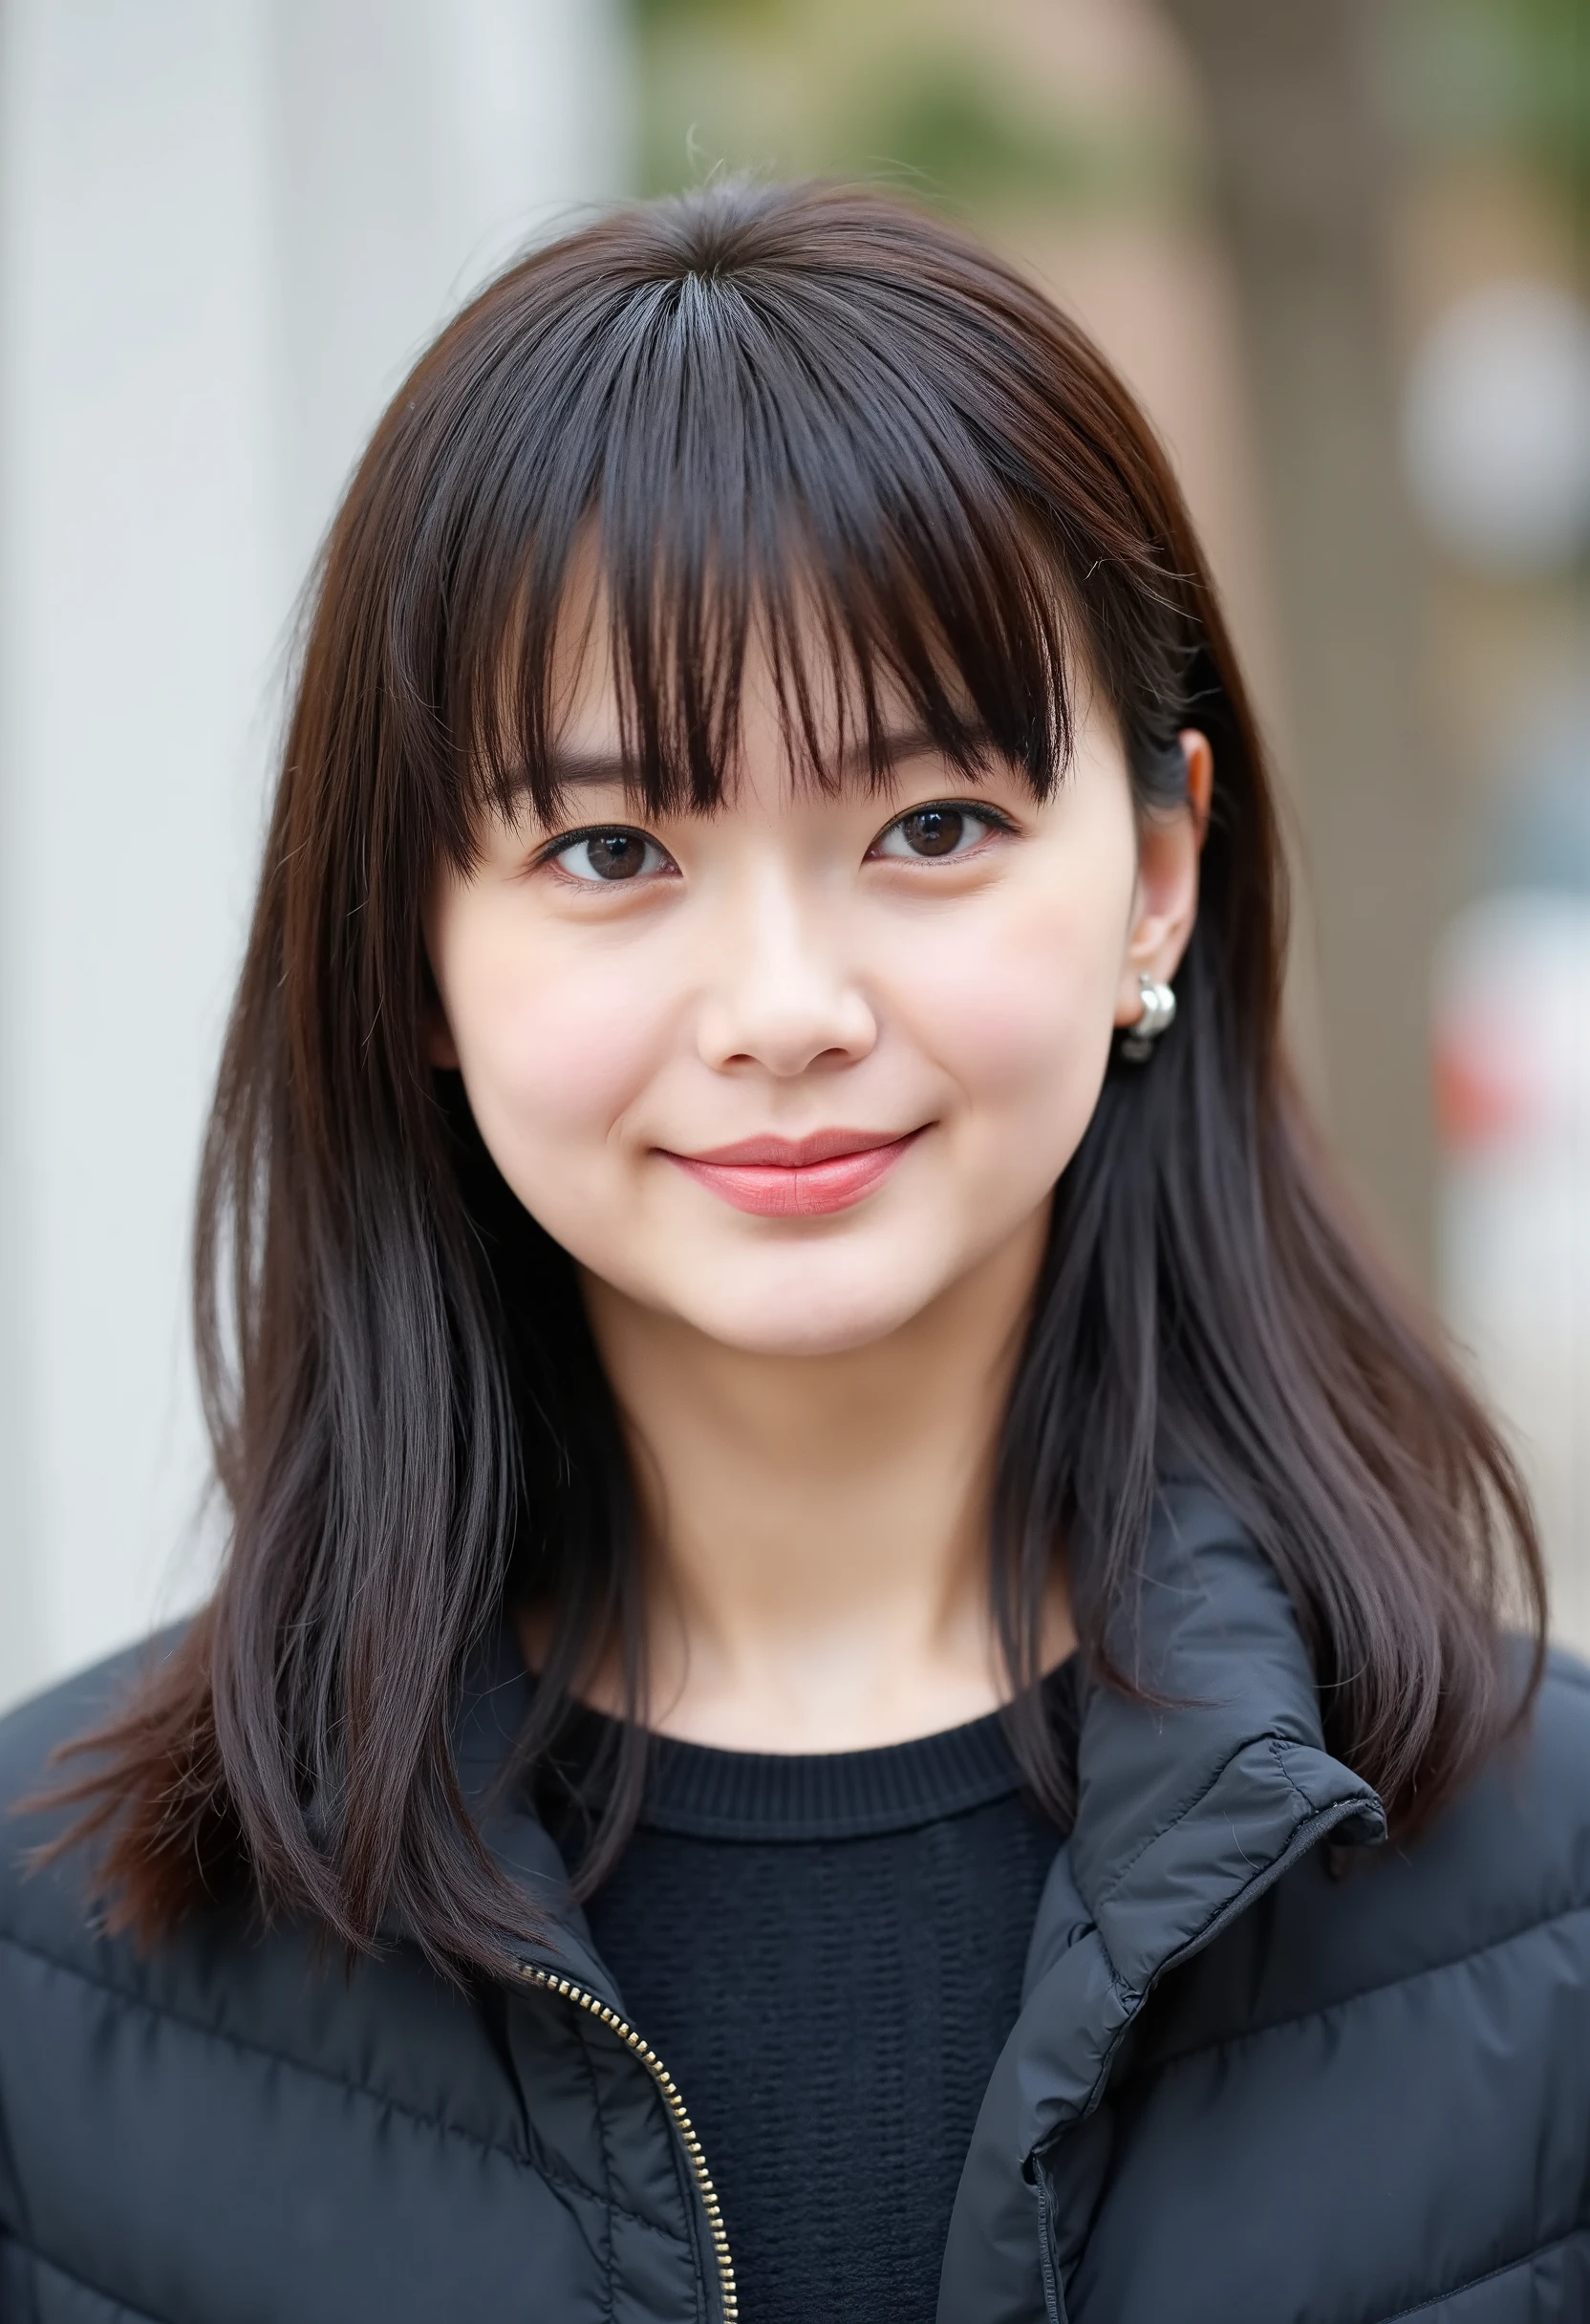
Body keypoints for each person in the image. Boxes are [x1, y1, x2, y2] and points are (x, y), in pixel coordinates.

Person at [1, 179, 1586, 2324]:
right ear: (410, 959)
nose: (781, 1002)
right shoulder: (52, 1946)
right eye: (611, 847)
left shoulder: (1550, 1901)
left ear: (1154, 874)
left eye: (929, 825)